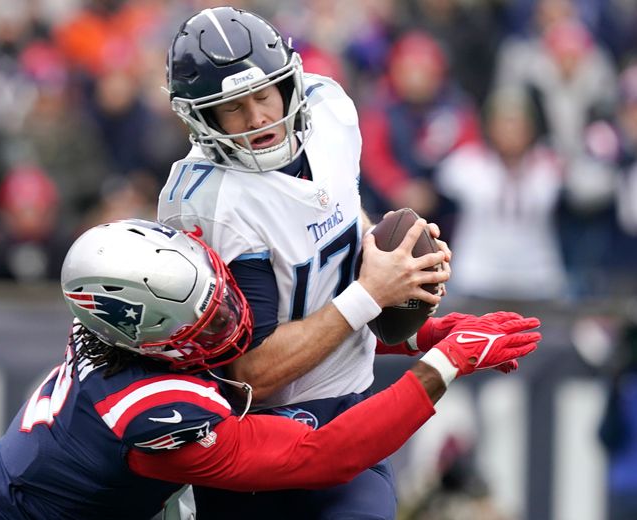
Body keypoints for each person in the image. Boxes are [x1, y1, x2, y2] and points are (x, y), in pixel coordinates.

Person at [0, 218, 541, 519]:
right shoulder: (154, 417)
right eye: (203, 321)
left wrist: (419, 335)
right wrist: (442, 365)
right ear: (152, 341)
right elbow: (322, 455)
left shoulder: (127, 335)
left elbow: (228, 363)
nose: (229, 320)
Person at [158, 7, 526, 518]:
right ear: (202, 118)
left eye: (264, 95)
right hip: (252, 442)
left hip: (346, 412)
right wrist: (373, 292)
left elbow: (335, 217)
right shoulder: (210, 200)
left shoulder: (329, 109)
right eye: (233, 107)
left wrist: (393, 261)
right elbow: (253, 374)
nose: (258, 118)